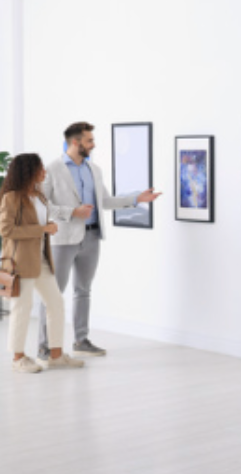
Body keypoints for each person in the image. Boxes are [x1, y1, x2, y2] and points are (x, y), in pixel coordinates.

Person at [37, 122, 160, 360]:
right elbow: (42, 205)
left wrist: (137, 198)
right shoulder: (52, 168)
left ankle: (81, 340)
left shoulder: (94, 169)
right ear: (76, 142)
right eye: (89, 140)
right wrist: (72, 212)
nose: (93, 144)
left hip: (92, 237)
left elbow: (105, 201)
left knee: (83, 291)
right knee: (53, 293)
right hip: (63, 239)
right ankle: (44, 345)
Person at [0, 153, 83, 372]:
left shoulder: (39, 195)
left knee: (55, 303)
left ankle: (55, 355)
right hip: (20, 262)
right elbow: (6, 230)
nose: (44, 171)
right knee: (22, 308)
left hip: (42, 260)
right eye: (40, 168)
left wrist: (47, 226)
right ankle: (18, 358)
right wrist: (42, 229)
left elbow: (38, 222)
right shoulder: (11, 197)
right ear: (28, 171)